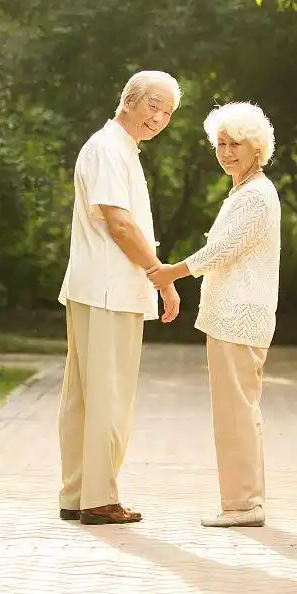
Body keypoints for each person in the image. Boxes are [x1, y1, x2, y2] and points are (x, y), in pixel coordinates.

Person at [57, 70, 182, 525]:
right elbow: (120, 223)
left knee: (86, 397)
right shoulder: (109, 148)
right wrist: (161, 276)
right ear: (128, 99)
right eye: (154, 105)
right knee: (106, 397)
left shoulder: (116, 148)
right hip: (108, 290)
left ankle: (78, 493)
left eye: (168, 112)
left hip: (99, 288)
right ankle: (98, 498)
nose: (160, 117)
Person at [148, 102, 280, 527]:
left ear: (256, 146)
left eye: (234, 144)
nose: (225, 152)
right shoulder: (245, 191)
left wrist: (172, 272)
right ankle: (245, 501)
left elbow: (222, 250)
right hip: (232, 317)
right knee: (237, 410)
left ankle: (243, 505)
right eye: (220, 144)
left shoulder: (256, 196)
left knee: (235, 412)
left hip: (238, 318)